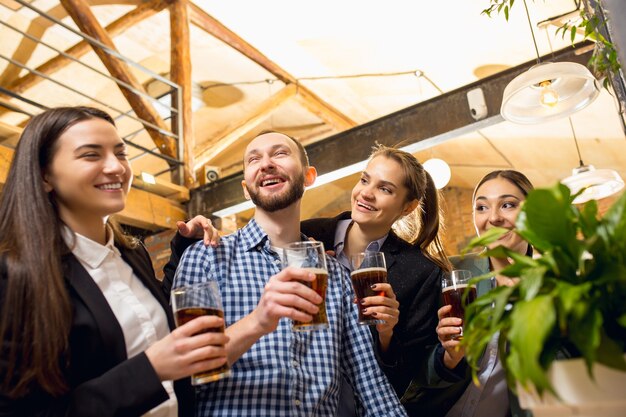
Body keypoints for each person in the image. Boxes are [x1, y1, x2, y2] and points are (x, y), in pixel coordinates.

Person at [0, 106, 228, 417]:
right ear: (44, 176)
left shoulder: (133, 254)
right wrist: (150, 370)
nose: (116, 167)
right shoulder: (12, 276)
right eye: (91, 155)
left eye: (120, 154)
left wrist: (184, 248)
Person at [172, 131, 407, 416]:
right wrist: (258, 321)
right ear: (246, 189)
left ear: (309, 177)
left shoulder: (336, 276)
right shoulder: (205, 257)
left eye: (280, 153)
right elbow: (186, 373)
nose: (266, 163)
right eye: (254, 159)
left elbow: (371, 385)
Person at [300, 145, 452, 413]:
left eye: (385, 189)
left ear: (408, 207)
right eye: (364, 179)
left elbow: (406, 379)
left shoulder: (422, 272)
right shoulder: (307, 234)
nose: (366, 194)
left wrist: (386, 334)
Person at [401, 169, 534, 417]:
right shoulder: (449, 272)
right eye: (481, 207)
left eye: (507, 205)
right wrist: (448, 358)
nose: (493, 218)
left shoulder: (553, 288)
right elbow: (409, 367)